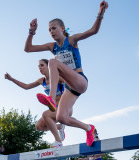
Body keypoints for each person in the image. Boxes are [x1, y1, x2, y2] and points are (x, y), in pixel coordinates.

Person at [24, 1, 108, 147]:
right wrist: (32, 32)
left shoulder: (72, 40)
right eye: (49, 30)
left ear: (62, 28)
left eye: (54, 28)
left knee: (53, 62)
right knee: (61, 117)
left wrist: (100, 13)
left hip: (80, 80)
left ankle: (50, 98)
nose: (51, 32)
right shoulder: (52, 46)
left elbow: (93, 31)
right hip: (71, 88)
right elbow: (28, 49)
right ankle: (89, 128)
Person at [5, 59, 66, 148]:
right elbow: (26, 86)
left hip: (62, 107)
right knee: (39, 126)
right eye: (38, 67)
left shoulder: (58, 77)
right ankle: (59, 127)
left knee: (45, 115)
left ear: (49, 66)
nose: (40, 68)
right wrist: (11, 79)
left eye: (42, 65)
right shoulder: (41, 81)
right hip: (53, 108)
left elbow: (70, 82)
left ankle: (58, 141)